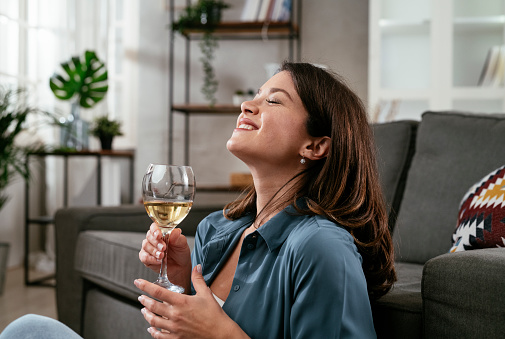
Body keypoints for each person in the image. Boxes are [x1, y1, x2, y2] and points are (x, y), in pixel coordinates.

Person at [0, 62, 396, 338]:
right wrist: (180, 284)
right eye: (255, 95)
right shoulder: (217, 230)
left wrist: (220, 334)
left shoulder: (320, 247)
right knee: (28, 328)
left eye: (273, 101)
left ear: (315, 145)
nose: (247, 105)